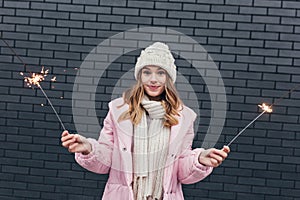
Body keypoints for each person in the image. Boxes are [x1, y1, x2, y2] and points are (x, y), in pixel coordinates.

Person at [61, 42, 230, 200]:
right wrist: (89, 149)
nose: (153, 79)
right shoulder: (118, 110)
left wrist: (199, 160)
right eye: (147, 72)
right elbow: (106, 159)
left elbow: (181, 170)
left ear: (169, 78)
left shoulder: (184, 118)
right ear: (139, 76)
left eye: (160, 72)